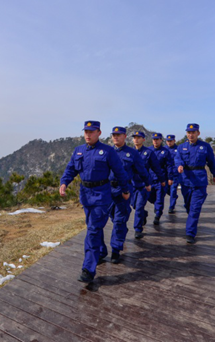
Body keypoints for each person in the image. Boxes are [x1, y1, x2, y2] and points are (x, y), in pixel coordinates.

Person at [60, 121, 130, 283]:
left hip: (101, 195)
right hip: (86, 195)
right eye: (86, 131)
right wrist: (64, 183)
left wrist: (125, 190)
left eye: (91, 132)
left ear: (99, 133)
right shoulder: (79, 150)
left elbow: (120, 171)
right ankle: (101, 252)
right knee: (93, 226)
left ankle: (88, 269)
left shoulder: (108, 151)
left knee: (92, 230)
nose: (88, 135)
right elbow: (71, 169)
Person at [107, 126, 151, 263]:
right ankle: (121, 233)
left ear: (125, 136)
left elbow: (141, 170)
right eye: (114, 135)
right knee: (112, 217)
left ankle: (115, 249)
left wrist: (147, 183)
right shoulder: (107, 152)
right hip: (108, 190)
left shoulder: (132, 153)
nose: (116, 137)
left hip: (124, 190)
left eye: (119, 135)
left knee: (119, 220)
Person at [174, 123, 215, 244]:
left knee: (195, 208)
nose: (191, 135)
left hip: (199, 181)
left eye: (193, 132)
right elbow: (177, 158)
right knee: (188, 206)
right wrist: (179, 165)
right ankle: (191, 222)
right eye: (189, 132)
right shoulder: (181, 147)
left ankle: (190, 233)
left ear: (198, 133)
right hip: (186, 180)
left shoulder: (205, 146)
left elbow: (212, 161)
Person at [130, 131, 163, 238]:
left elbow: (156, 167)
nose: (136, 139)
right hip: (131, 184)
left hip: (144, 184)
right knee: (134, 206)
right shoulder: (129, 152)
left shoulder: (148, 153)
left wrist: (162, 179)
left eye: (139, 137)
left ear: (143, 139)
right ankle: (144, 215)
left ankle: (138, 229)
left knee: (139, 207)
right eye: (135, 137)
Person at [147, 133, 175, 225]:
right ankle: (156, 206)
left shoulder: (165, 151)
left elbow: (169, 165)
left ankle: (158, 215)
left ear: (161, 140)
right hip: (150, 178)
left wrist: (170, 178)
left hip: (161, 179)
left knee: (160, 198)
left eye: (157, 139)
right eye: (154, 139)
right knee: (150, 197)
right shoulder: (148, 150)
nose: (155, 141)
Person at [165, 134, 180, 214]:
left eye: (171, 141)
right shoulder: (164, 149)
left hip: (175, 173)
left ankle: (171, 207)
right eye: (168, 141)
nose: (169, 142)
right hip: (166, 173)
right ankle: (174, 197)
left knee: (173, 189)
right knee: (166, 190)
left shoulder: (178, 149)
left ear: (174, 141)